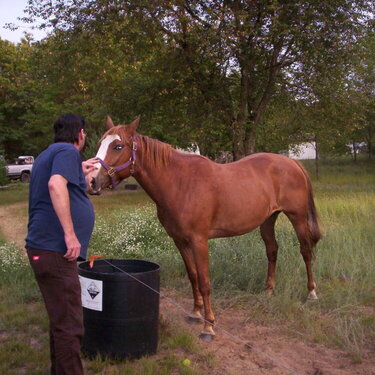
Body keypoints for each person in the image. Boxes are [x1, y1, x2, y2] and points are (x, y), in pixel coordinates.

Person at [25, 113, 97, 375]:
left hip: (42, 251)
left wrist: (80, 172)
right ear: (79, 134)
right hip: (55, 251)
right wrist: (70, 234)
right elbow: (56, 185)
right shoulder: (67, 151)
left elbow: (69, 186)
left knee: (60, 321)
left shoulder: (48, 154)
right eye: (85, 134)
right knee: (70, 326)